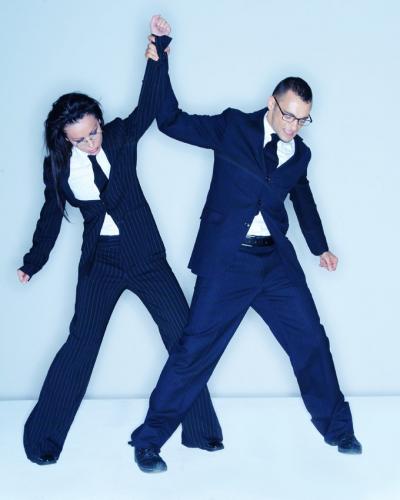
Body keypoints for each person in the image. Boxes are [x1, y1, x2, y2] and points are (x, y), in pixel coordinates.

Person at [130, 37, 362, 473]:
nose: (294, 126)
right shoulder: (234, 126)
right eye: (288, 115)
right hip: (227, 264)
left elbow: (302, 197)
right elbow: (170, 121)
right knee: (193, 352)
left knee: (312, 341)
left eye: (303, 119)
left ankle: (338, 430)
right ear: (272, 103)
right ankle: (148, 441)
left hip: (275, 265)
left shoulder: (300, 153)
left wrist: (321, 247)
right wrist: (159, 63)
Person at [18, 16, 223, 467]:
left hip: (146, 257)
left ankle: (201, 431)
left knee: (184, 338)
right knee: (80, 345)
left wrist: (157, 51)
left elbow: (147, 106)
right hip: (102, 262)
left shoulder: (121, 138)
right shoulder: (58, 167)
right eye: (80, 139)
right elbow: (51, 215)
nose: (91, 142)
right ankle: (44, 439)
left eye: (93, 132)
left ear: (99, 122)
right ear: (64, 139)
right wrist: (34, 261)